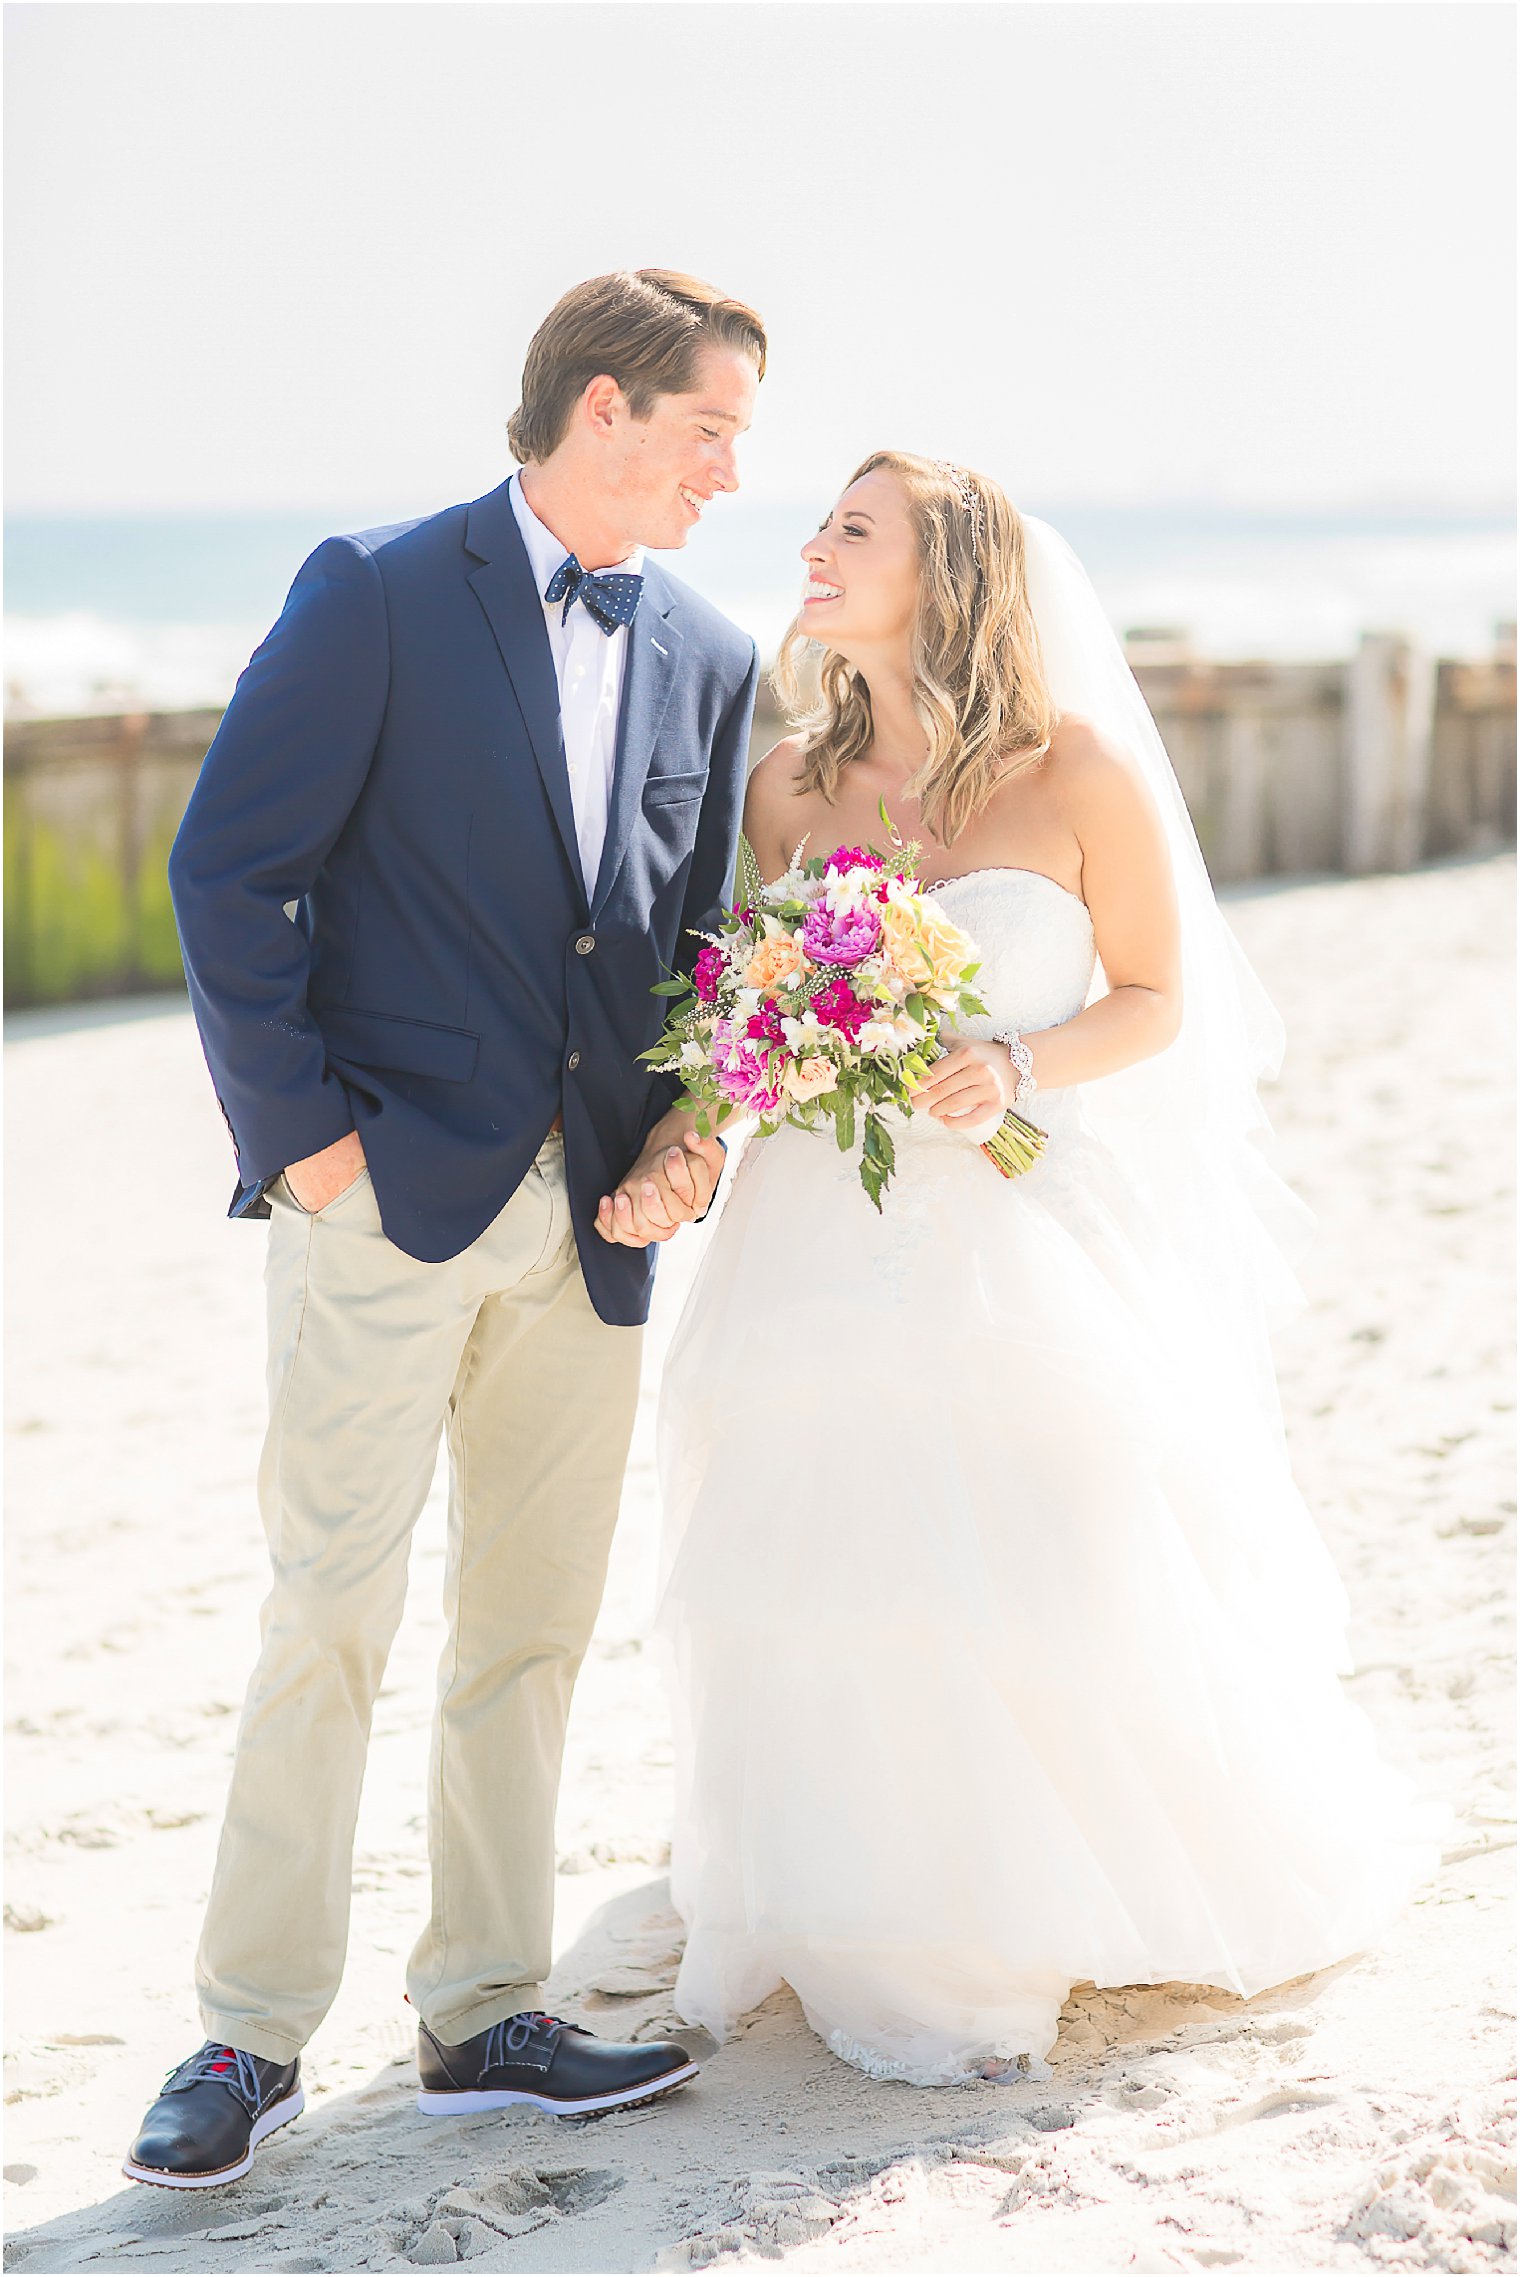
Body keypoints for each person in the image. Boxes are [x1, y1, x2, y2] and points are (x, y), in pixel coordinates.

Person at [653, 451, 1439, 2087]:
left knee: (1031, 1553)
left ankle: (1028, 1894)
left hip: (1011, 1225)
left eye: (850, 530)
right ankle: (854, 1889)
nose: (810, 544)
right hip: (813, 1223)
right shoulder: (790, 784)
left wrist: (1014, 1061)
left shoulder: (1075, 773)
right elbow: (743, 995)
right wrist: (738, 1090)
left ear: (944, 576)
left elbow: (1155, 995)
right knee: (825, 1551)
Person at [125, 270, 764, 2189]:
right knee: (328, 1610)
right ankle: (249, 2034)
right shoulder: (381, 592)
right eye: (712, 429)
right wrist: (303, 1147)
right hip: (381, 1201)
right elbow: (232, 874)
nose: (736, 470)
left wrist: (693, 1143)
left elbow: (703, 949)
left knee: (532, 1627)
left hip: (594, 1220)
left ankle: (486, 2000)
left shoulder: (717, 660)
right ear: (603, 405)